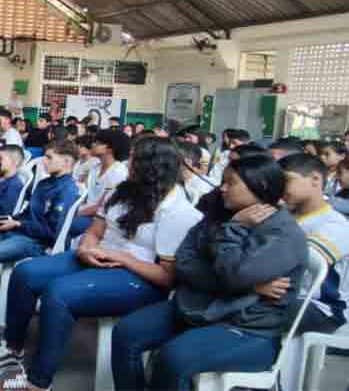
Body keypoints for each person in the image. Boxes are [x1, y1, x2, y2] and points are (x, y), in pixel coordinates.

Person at [0, 137, 202, 391]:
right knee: (25, 273)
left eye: (134, 159)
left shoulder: (177, 210)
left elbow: (166, 277)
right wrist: (86, 247)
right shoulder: (124, 191)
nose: (128, 163)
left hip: (139, 278)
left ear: (152, 167)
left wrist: (122, 258)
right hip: (100, 257)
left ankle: (37, 383)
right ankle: (12, 347)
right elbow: (96, 230)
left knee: (59, 294)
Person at [110, 155, 308, 391]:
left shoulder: (281, 234)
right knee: (126, 333)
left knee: (174, 358)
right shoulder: (221, 212)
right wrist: (248, 286)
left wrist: (233, 230)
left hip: (246, 328)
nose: (222, 188)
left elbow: (234, 274)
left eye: (231, 183)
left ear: (261, 186)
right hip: (198, 307)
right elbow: (184, 262)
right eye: (223, 181)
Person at [0, 141, 81, 312]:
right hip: (22, 233)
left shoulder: (67, 191)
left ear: (66, 162)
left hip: (38, 243)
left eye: (49, 157)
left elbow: (52, 232)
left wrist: (18, 224)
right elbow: (28, 214)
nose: (43, 161)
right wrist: (9, 220)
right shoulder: (44, 183)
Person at [278, 154, 349, 335]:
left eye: (286, 180)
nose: (280, 188)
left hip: (320, 307)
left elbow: (290, 260)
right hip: (284, 295)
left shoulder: (335, 224)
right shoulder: (281, 214)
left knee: (260, 308)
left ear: (316, 179)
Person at [72, 129, 131, 238]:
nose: (92, 145)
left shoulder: (118, 172)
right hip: (84, 211)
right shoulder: (95, 168)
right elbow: (82, 193)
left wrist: (73, 213)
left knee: (68, 223)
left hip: (98, 219)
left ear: (109, 149)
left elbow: (101, 206)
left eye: (97, 143)